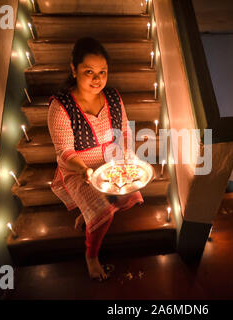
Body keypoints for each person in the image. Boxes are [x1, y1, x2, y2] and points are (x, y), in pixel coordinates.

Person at [47, 37, 144, 281]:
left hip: (110, 162)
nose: (97, 79)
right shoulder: (61, 106)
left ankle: (87, 213)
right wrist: (84, 170)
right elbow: (64, 153)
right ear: (74, 69)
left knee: (129, 192)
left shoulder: (112, 97)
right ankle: (91, 255)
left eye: (102, 72)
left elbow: (124, 132)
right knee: (103, 209)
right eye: (88, 71)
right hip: (78, 168)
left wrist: (128, 158)